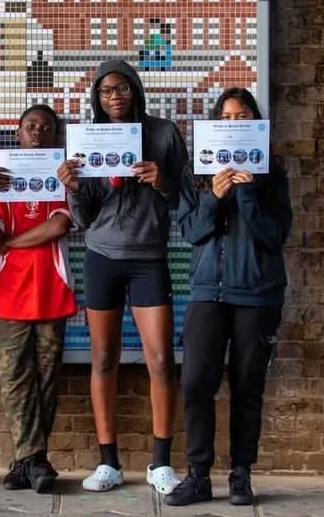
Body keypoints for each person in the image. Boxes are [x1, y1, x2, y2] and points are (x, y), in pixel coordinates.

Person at [56, 59, 187, 496]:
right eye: (107, 90)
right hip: (102, 256)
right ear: (97, 96)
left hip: (149, 256)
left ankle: (162, 463)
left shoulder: (164, 133)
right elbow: (85, 216)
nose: (115, 96)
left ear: (136, 91)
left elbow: (185, 197)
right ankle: (107, 462)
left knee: (162, 360)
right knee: (103, 358)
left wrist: (162, 180)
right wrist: (74, 190)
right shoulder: (88, 139)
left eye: (123, 88)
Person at [165, 88, 292, 507]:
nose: (235, 124)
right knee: (197, 381)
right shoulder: (195, 173)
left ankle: (241, 474)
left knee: (247, 385)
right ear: (216, 125)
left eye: (243, 117)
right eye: (227, 117)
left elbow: (275, 237)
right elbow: (191, 233)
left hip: (257, 293)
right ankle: (198, 474)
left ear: (256, 123)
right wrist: (213, 198)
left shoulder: (272, 173)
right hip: (208, 291)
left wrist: (250, 193)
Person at [0, 105, 76, 493]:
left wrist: (10, 243)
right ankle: (35, 462)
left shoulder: (62, 176)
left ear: (55, 138)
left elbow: (59, 225)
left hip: (51, 286)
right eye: (31, 126)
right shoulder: (1, 180)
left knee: (46, 378)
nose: (38, 133)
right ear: (18, 134)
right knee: (15, 378)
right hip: (6, 291)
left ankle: (25, 463)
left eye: (47, 128)